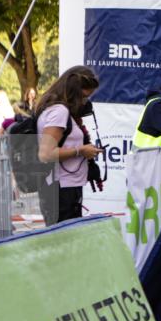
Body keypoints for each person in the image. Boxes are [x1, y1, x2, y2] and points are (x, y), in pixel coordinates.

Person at [34, 67, 103, 225]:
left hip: (64, 187)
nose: (85, 102)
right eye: (84, 97)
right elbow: (46, 153)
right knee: (63, 243)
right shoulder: (60, 111)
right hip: (62, 190)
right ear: (74, 92)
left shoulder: (55, 109)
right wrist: (81, 150)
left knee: (64, 242)